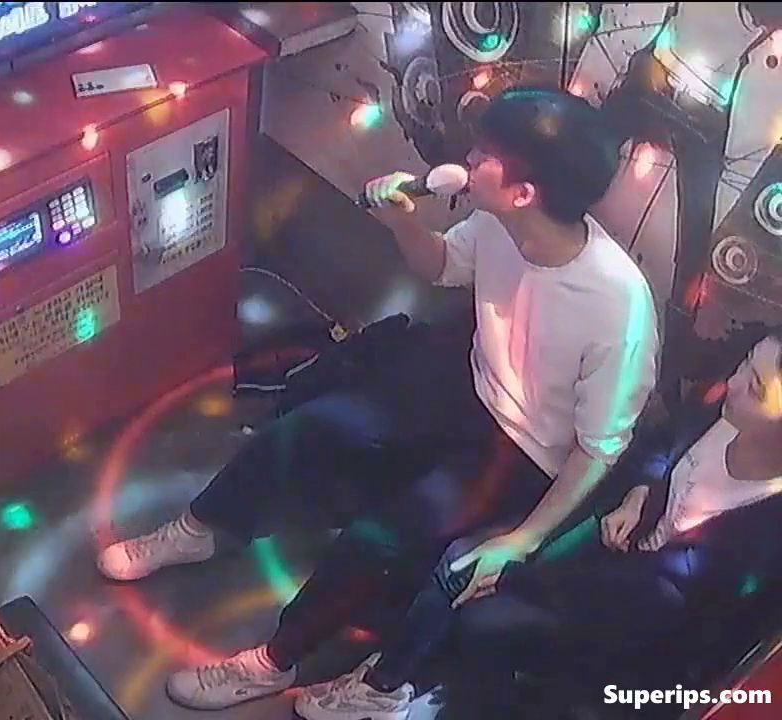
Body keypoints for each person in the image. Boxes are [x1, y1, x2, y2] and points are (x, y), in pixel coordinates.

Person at [96, 86, 663, 710]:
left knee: (378, 539)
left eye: (487, 155)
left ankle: (271, 662)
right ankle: (202, 527)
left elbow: (599, 449)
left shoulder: (618, 309)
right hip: (468, 383)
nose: (471, 158)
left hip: (528, 449)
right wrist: (402, 220)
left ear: (525, 193)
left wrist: (523, 538)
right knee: (314, 424)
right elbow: (442, 266)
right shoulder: (499, 220)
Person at [293, 331, 782, 720]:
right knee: (464, 561)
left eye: (755, 387)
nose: (734, 382)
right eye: (744, 365)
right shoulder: (722, 414)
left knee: (484, 618)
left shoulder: (760, 537)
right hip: (608, 545)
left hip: (624, 624)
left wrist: (517, 578)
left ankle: (433, 692)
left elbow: (650, 604)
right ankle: (392, 684)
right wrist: (641, 492)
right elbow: (664, 442)